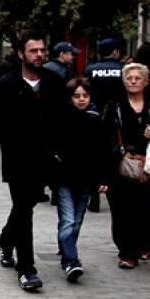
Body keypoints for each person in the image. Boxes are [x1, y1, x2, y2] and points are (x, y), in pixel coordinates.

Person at [0, 31, 65, 292]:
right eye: (33, 51)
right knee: (23, 209)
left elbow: (63, 119)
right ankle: (26, 269)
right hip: (17, 158)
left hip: (45, 158)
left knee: (24, 206)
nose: (39, 55)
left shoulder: (53, 81)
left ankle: (6, 241)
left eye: (42, 50)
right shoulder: (6, 84)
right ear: (21, 54)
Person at [104, 63, 150, 269]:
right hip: (123, 166)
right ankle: (127, 253)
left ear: (146, 81)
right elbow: (105, 134)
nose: (133, 81)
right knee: (123, 211)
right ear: (123, 81)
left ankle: (145, 244)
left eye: (137, 78)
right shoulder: (115, 106)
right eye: (129, 78)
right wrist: (118, 149)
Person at [51, 78, 107, 283]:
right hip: (64, 179)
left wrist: (102, 178)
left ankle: (66, 253)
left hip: (86, 181)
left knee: (76, 223)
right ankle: (71, 261)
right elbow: (52, 148)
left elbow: (102, 152)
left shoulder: (94, 120)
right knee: (68, 220)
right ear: (70, 98)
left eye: (85, 95)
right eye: (77, 96)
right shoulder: (60, 119)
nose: (82, 99)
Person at [83, 38, 125, 113]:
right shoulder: (125, 69)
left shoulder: (89, 69)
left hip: (95, 110)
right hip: (120, 111)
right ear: (115, 52)